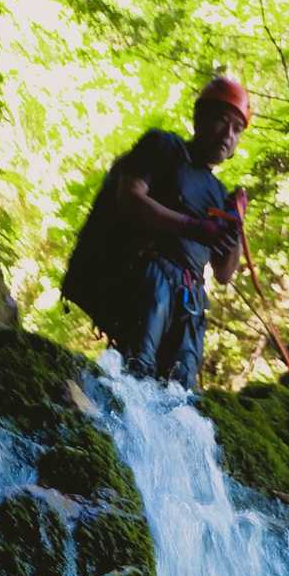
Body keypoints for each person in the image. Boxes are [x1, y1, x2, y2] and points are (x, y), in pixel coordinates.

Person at [62, 74, 251, 389]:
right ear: (200, 118)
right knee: (137, 366)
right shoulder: (164, 147)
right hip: (148, 277)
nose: (228, 135)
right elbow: (130, 197)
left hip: (189, 302)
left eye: (237, 129)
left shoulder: (219, 194)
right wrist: (193, 226)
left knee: (179, 390)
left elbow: (224, 273)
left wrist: (236, 222)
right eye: (221, 120)